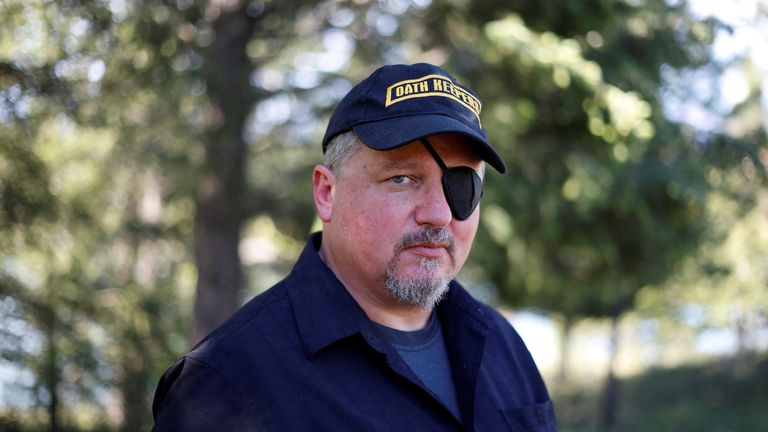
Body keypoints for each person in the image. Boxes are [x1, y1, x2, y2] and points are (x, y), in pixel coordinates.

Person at [152, 63, 556, 431]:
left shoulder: (502, 347)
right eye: (401, 178)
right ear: (327, 193)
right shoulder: (227, 383)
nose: (438, 214)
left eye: (462, 185)